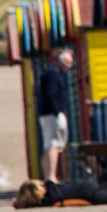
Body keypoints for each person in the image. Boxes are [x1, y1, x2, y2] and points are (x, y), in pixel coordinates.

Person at [36, 47, 76, 183]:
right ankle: (51, 176)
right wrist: (57, 112)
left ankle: (48, 176)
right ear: (62, 61)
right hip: (51, 114)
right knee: (53, 144)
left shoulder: (51, 72)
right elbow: (51, 94)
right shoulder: (53, 74)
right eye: (69, 62)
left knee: (49, 144)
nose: (70, 66)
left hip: (47, 113)